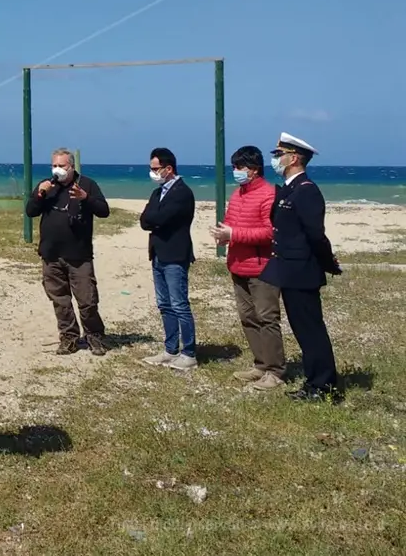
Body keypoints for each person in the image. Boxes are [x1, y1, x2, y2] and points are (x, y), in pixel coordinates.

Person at [258, 133, 342, 401]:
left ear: (293, 158)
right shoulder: (289, 189)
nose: (275, 159)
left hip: (302, 271)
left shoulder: (307, 190)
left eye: (278, 154)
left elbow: (315, 235)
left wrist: (328, 264)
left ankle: (324, 385)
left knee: (311, 331)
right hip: (289, 271)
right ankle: (314, 381)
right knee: (303, 331)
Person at [209, 146, 285, 390]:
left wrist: (235, 233)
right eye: (233, 167)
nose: (235, 172)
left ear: (253, 170)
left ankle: (275, 371)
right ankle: (260, 364)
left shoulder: (268, 194)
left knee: (267, 318)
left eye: (239, 167)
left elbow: (269, 232)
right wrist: (224, 235)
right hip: (238, 265)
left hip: (262, 268)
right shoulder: (237, 194)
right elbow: (230, 222)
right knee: (248, 317)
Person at [25, 148, 111, 356]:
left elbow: (104, 211)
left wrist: (85, 198)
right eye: (55, 165)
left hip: (78, 255)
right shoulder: (47, 186)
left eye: (62, 166)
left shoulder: (87, 185)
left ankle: (95, 336)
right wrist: (39, 195)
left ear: (72, 167)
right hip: (51, 254)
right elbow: (30, 211)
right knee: (60, 300)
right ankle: (69, 338)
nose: (58, 169)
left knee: (87, 300)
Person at [139, 147, 198, 371]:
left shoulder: (182, 192)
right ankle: (170, 348)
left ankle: (189, 352)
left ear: (168, 168)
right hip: (158, 253)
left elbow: (162, 218)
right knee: (164, 305)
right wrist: (153, 219)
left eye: (156, 169)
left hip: (175, 254)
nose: (152, 172)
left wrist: (154, 219)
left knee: (179, 304)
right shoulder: (157, 193)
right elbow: (146, 220)